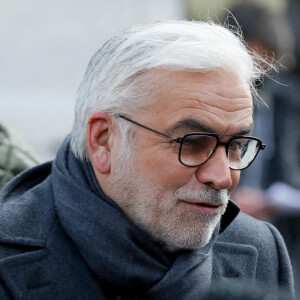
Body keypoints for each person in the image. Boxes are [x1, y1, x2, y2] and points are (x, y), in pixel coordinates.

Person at [0, 20, 294, 299]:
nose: (222, 176)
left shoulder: (261, 251)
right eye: (192, 143)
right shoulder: (9, 254)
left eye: (237, 146)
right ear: (104, 141)